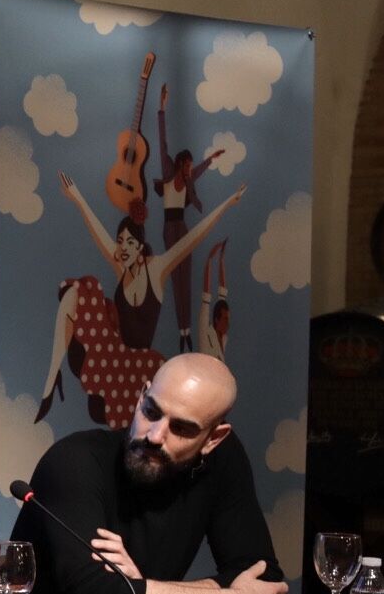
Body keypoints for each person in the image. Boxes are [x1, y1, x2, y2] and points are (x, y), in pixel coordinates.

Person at [12, 352, 288, 594]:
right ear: (141, 397)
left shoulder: (222, 459)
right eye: (151, 412)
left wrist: (142, 587)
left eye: (180, 428)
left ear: (213, 439)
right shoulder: (74, 460)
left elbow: (263, 580)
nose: (155, 436)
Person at [36, 170, 244, 430]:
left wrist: (227, 204)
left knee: (137, 425)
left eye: (129, 243)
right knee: (76, 293)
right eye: (120, 241)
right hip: (114, 354)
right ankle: (52, 379)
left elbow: (192, 240)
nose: (123, 248)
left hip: (139, 365)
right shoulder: (121, 267)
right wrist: (78, 198)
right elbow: (97, 230)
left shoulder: (156, 270)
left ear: (140, 246)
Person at [153, 83, 224, 353]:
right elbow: (162, 143)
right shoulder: (169, 172)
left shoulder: (189, 179)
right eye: (188, 165)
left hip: (181, 226)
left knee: (187, 277)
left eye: (191, 166)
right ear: (181, 164)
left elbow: (201, 170)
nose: (190, 169)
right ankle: (181, 330)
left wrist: (212, 158)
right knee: (176, 279)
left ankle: (187, 331)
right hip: (168, 228)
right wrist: (161, 109)